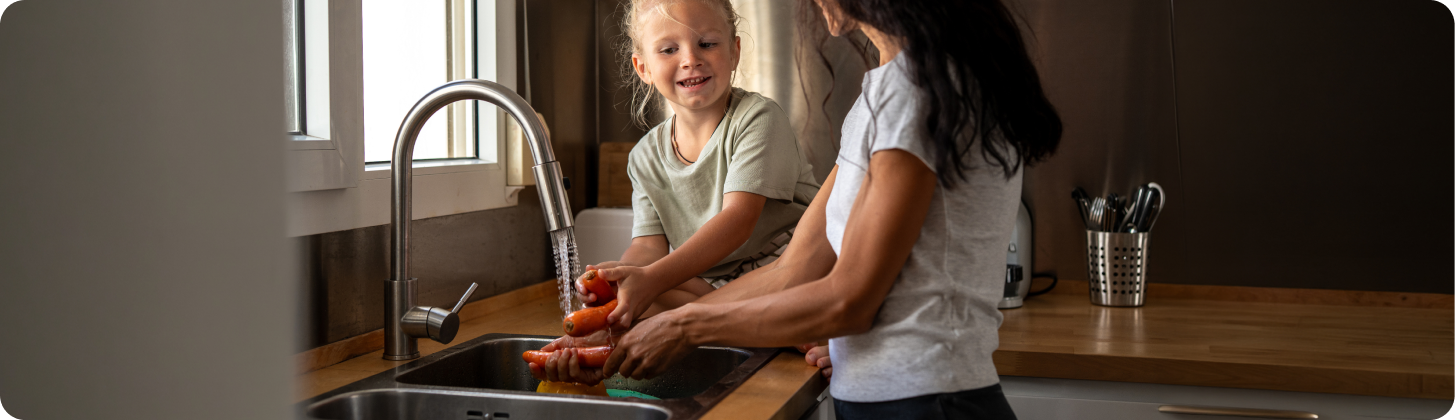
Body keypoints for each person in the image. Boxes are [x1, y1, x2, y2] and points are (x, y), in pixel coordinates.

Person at [541, 0, 1061, 417]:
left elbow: (849, 302)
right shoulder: (885, 94)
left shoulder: (918, 91)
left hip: (929, 400)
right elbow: (794, 271)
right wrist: (622, 344)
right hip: (893, 400)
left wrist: (684, 327)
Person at [576, 0, 821, 331]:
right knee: (641, 294)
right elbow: (649, 246)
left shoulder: (758, 118)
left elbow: (738, 220)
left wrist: (650, 279)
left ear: (734, 51)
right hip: (715, 284)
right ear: (643, 67)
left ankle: (755, 320)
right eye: (668, 50)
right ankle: (760, 323)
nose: (691, 59)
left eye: (707, 44)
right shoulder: (644, 156)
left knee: (658, 290)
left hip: (786, 268)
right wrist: (622, 276)